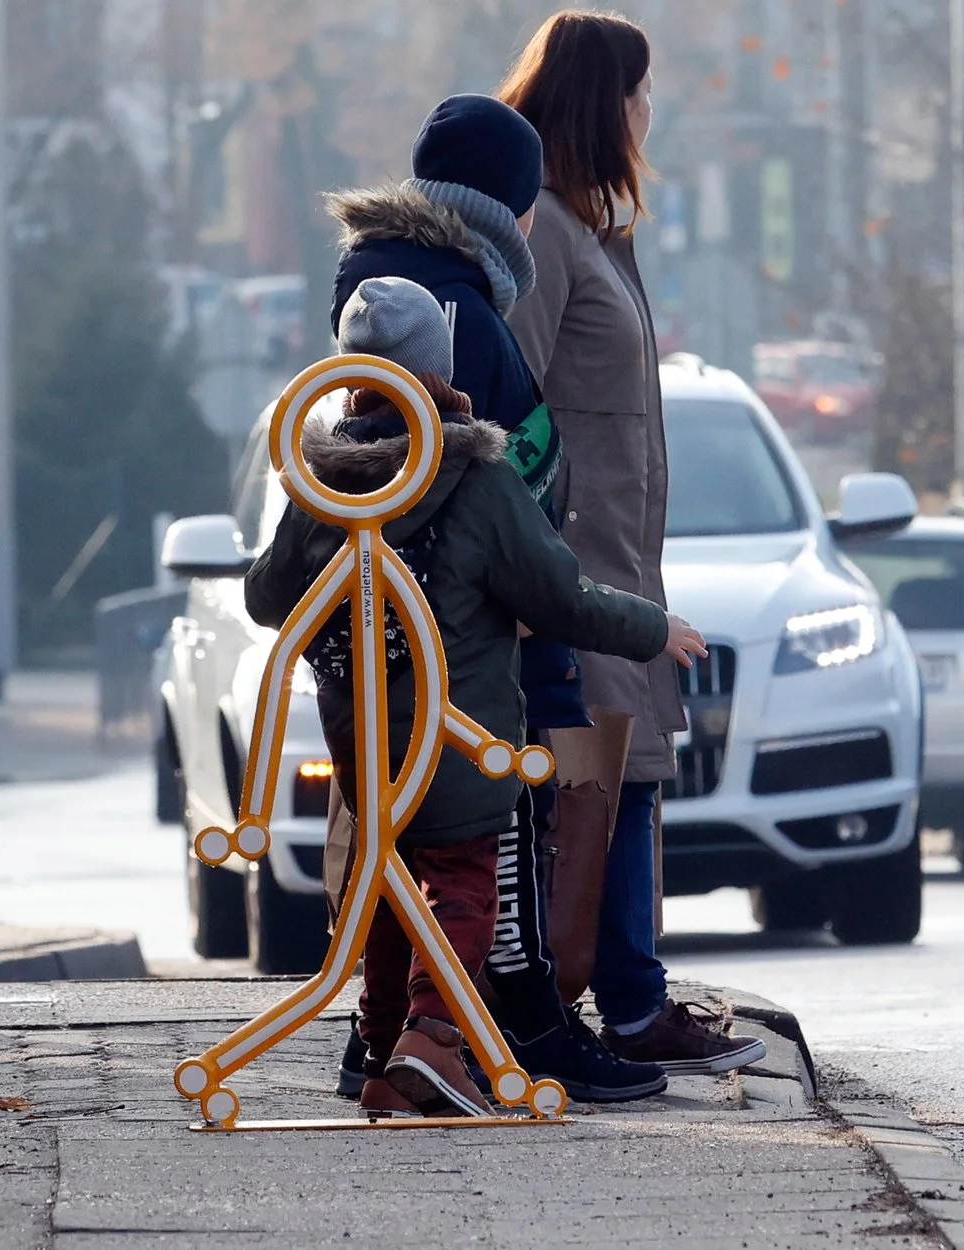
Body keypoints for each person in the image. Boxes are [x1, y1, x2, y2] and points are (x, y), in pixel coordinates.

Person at [246, 276, 707, 1115]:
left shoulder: (324, 487)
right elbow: (561, 596)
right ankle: (431, 1038)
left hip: (361, 737)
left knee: (388, 880)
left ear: (349, 377)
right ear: (439, 370)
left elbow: (267, 598)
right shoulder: (475, 476)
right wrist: (655, 630)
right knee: (461, 882)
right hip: (457, 732)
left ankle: (377, 1046)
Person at [323, 94, 665, 1100]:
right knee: (487, 844)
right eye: (521, 204)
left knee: (412, 842)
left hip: (421, 642)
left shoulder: (404, 289)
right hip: (478, 643)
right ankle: (495, 1034)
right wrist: (593, 613)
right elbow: (464, 491)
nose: (529, 223)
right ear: (493, 205)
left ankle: (386, 1040)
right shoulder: (454, 313)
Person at [501, 9, 766, 1073]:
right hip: (569, 568)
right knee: (600, 779)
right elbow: (509, 397)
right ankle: (619, 999)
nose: (649, 113)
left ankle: (628, 994)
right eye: (640, 92)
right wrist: (530, 562)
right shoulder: (546, 233)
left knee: (624, 770)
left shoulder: (591, 227)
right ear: (601, 103)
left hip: (615, 561)